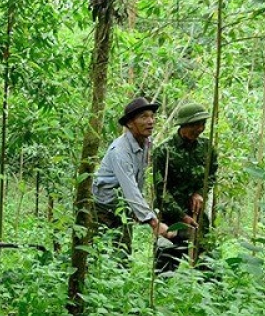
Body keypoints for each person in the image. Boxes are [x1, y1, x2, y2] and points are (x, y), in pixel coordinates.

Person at [92, 97, 173, 262]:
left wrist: (137, 211)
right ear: (130, 123)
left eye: (152, 116)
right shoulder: (120, 151)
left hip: (123, 209)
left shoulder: (147, 143)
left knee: (122, 257)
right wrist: (154, 222)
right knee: (97, 256)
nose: (150, 121)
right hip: (102, 208)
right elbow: (130, 188)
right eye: (144, 117)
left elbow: (139, 179)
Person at [152, 102, 218, 272]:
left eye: (203, 124)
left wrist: (200, 193)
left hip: (197, 218)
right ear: (183, 125)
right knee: (165, 268)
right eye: (195, 125)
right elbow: (161, 191)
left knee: (207, 267)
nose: (200, 128)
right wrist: (181, 216)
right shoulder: (164, 151)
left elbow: (210, 175)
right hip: (170, 219)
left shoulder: (206, 148)